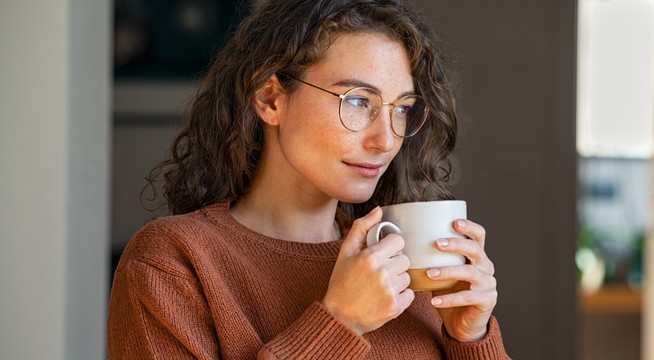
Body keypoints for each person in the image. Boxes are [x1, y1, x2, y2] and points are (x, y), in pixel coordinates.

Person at [107, 0, 509, 358]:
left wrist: (471, 340)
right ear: (270, 99)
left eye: (402, 109)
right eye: (356, 101)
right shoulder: (171, 263)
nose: (386, 140)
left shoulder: (408, 261)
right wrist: (340, 323)